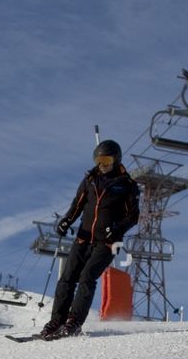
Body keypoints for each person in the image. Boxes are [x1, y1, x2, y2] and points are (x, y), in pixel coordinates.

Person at [41, 139, 140, 339]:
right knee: (67, 279)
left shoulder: (127, 185)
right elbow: (78, 204)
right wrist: (66, 221)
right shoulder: (90, 179)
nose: (102, 165)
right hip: (83, 238)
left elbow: (133, 217)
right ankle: (56, 322)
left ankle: (74, 322)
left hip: (108, 242)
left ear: (116, 159)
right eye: (99, 160)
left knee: (87, 277)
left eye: (106, 160)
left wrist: (117, 229)